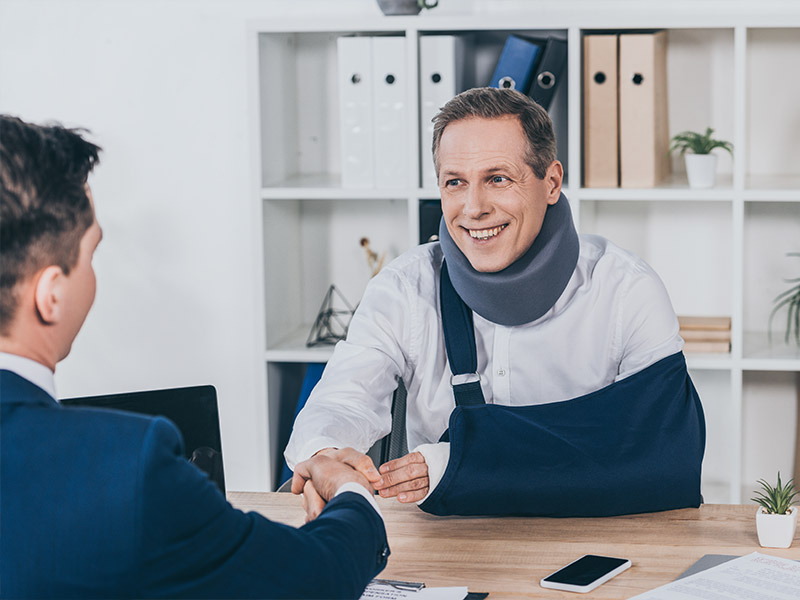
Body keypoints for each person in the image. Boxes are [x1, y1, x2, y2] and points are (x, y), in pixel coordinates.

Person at [0, 115, 389, 598]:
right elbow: (315, 578)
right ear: (51, 295)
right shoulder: (122, 467)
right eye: (90, 254)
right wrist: (352, 495)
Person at [285, 88, 704, 517]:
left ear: (552, 182)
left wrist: (460, 463)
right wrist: (325, 452)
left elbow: (665, 453)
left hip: (596, 536)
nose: (474, 208)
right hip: (449, 542)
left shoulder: (625, 291)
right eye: (455, 183)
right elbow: (343, 398)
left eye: (497, 178)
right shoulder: (403, 289)